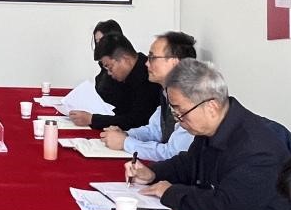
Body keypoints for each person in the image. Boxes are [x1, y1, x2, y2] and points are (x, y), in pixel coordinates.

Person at [125, 59, 291, 210]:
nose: (179, 121)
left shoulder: (259, 149)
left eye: (181, 112)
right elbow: (190, 164)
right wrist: (153, 173)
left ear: (211, 107)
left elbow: (227, 209)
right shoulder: (212, 128)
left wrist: (170, 193)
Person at [100, 31, 197, 160]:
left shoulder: (192, 98)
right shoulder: (166, 92)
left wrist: (125, 142)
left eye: (152, 58)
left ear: (174, 62)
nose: (146, 63)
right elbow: (154, 131)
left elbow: (172, 153)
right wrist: (126, 134)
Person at [67, 33, 159, 131]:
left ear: (125, 59)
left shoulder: (148, 77)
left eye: (110, 67)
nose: (109, 73)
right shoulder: (127, 74)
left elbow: (136, 121)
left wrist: (92, 119)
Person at [90, 19, 127, 109]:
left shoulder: (126, 70)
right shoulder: (101, 74)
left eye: (102, 40)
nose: (99, 46)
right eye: (97, 42)